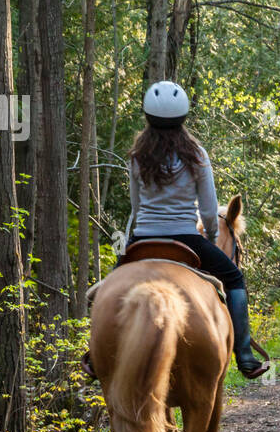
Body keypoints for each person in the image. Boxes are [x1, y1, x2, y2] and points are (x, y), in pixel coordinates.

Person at [104, 81, 269, 379]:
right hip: (186, 237)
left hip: (143, 237)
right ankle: (245, 355)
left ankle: (97, 350)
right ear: (183, 117)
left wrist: (138, 234)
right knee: (234, 278)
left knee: (107, 288)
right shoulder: (197, 155)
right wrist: (207, 236)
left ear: (148, 116)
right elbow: (209, 209)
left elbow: (136, 205)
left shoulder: (137, 156)